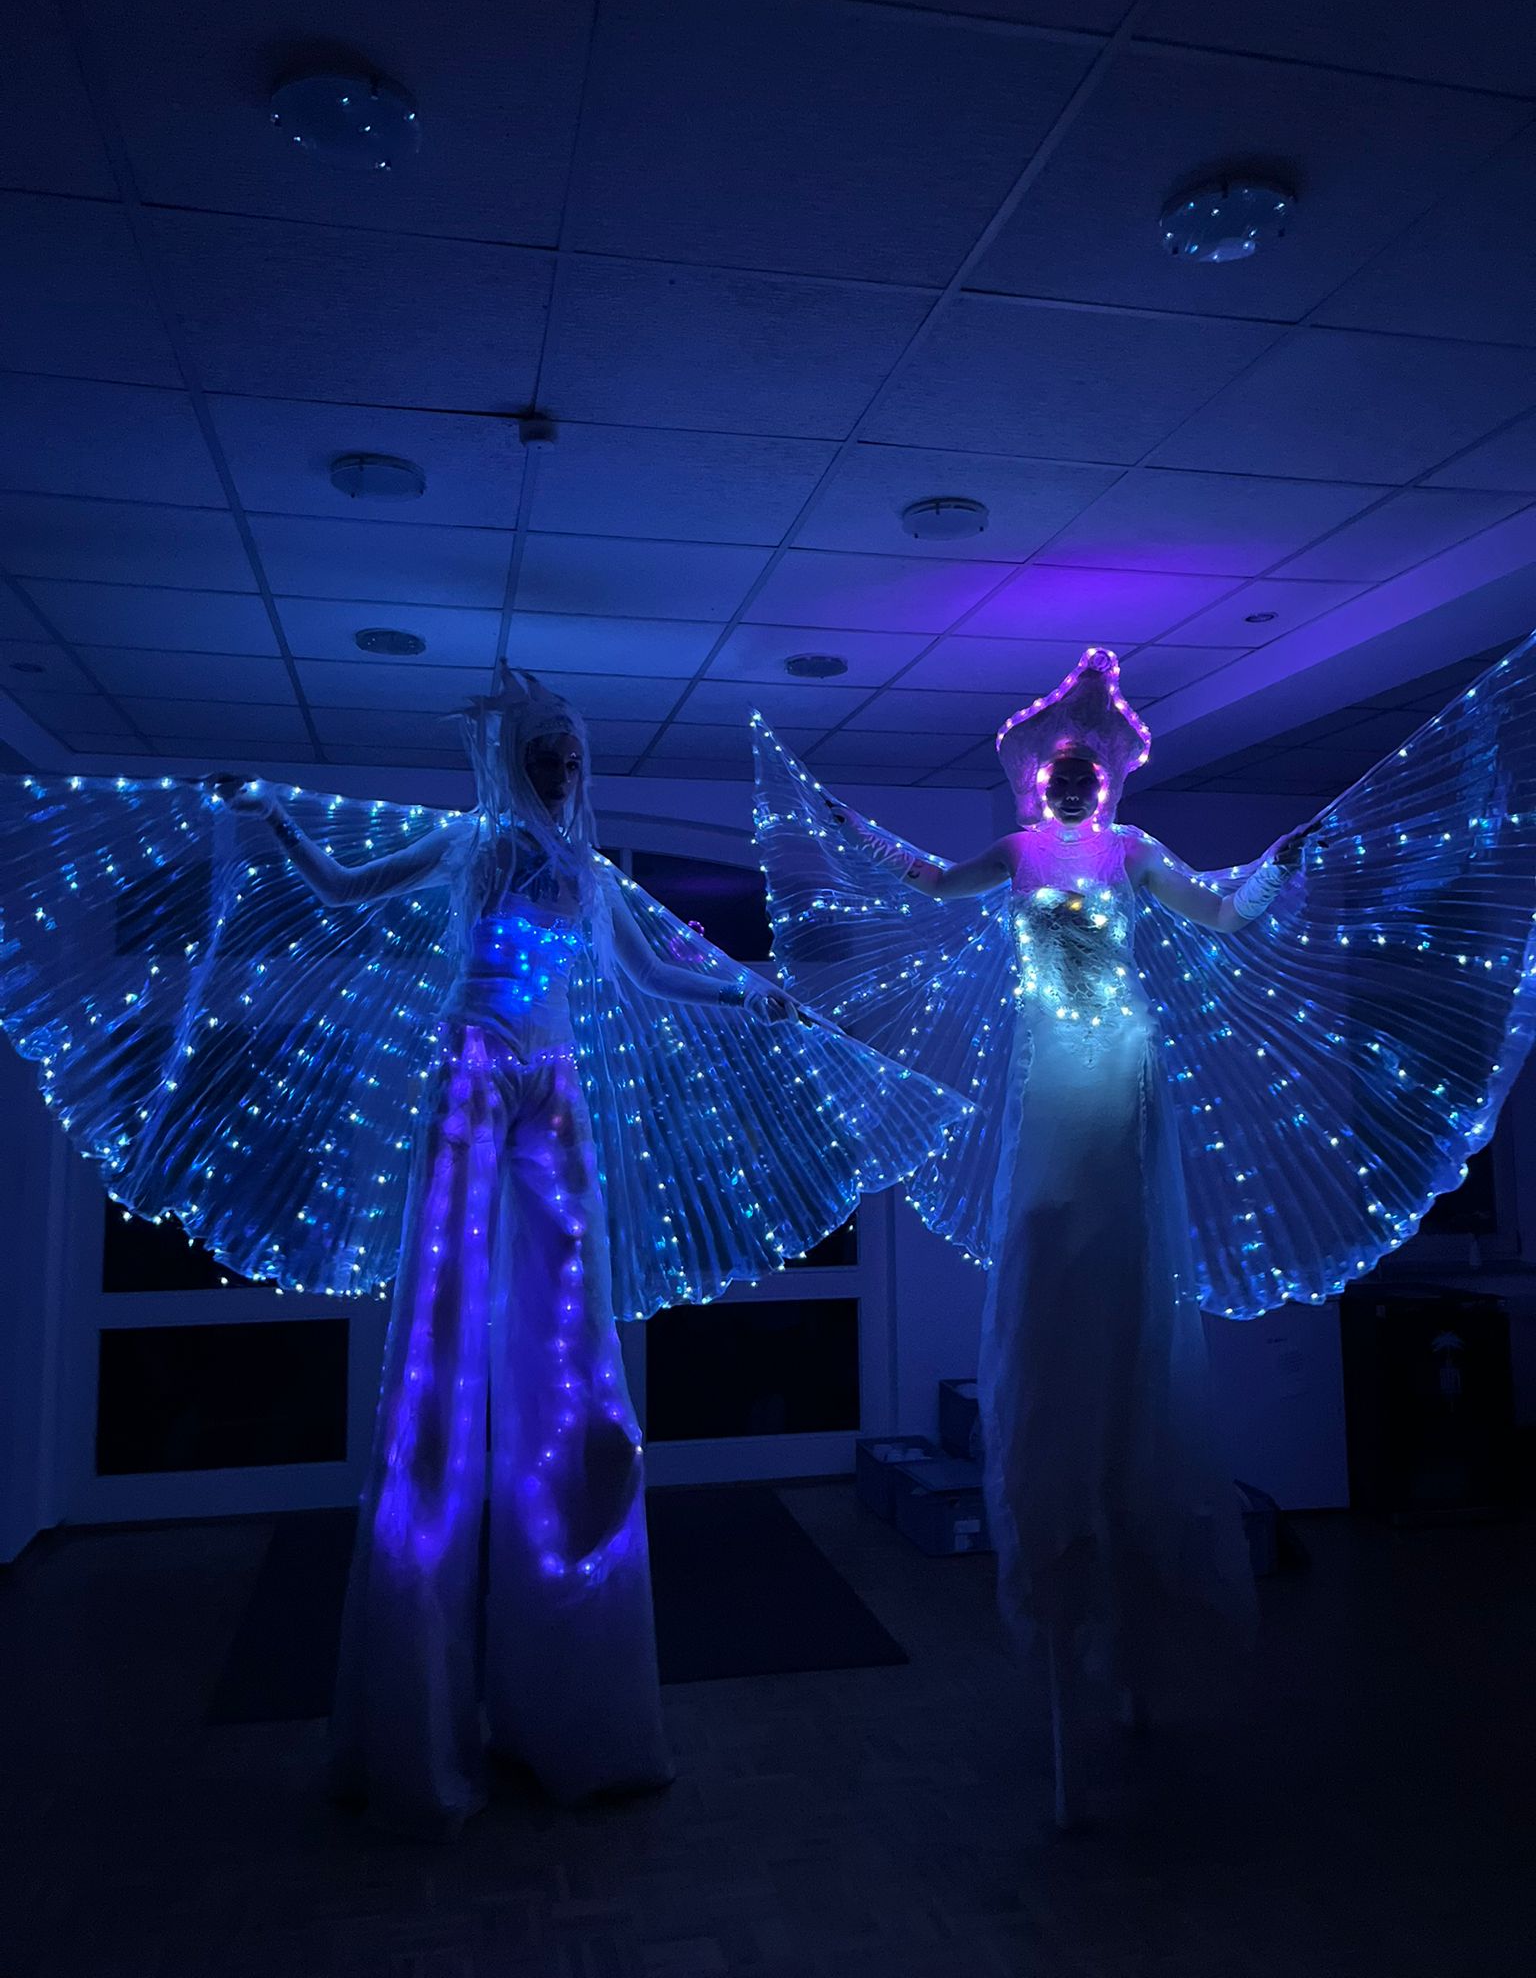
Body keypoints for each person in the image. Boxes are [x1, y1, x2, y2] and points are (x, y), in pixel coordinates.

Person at [0, 668, 968, 1838]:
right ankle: (434, 1644)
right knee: (450, 1300)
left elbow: (648, 970)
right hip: (473, 1065)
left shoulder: (588, 872)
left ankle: (560, 1606)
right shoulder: (474, 845)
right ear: (518, 760)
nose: (561, 771)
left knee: (566, 1307)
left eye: (571, 756)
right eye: (546, 755)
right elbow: (343, 884)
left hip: (551, 1078)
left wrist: (746, 998)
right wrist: (275, 818)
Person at [751, 641, 1536, 1828]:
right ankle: (1071, 1549)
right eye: (1058, 772)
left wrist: (1277, 873)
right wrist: (861, 843)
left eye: (1086, 772)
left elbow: (1215, 912)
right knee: (1051, 1232)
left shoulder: (1132, 849)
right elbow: (938, 888)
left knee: (1112, 1243)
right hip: (1051, 1071)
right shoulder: (1019, 852)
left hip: (1118, 1064)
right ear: (1040, 781)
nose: (1072, 785)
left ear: (1104, 780)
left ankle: (1125, 1585)